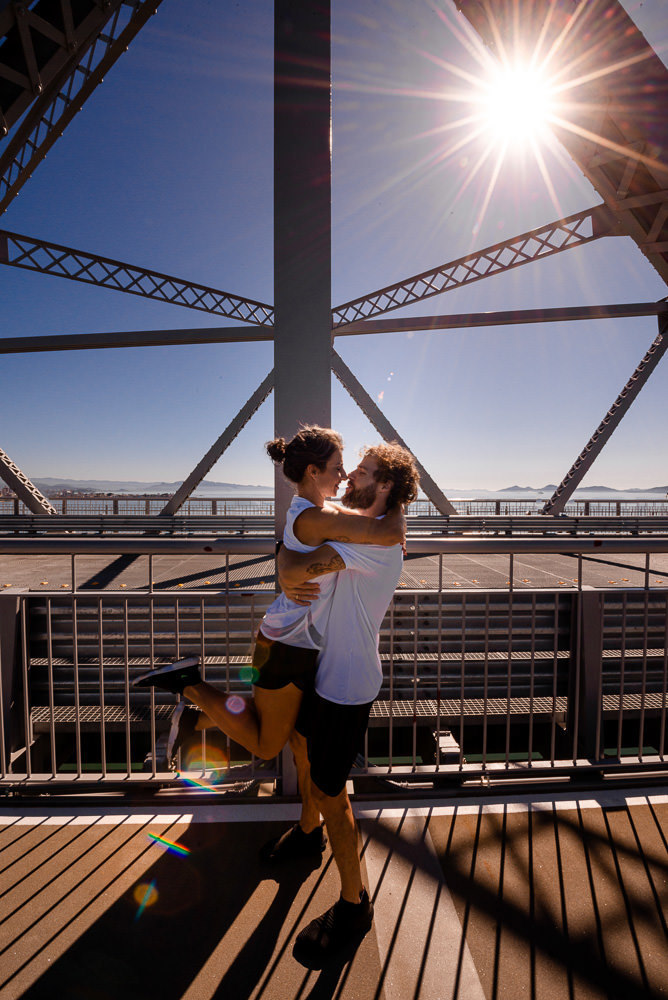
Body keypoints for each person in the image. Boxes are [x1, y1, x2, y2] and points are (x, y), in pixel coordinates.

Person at [133, 425, 405, 782]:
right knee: (266, 744)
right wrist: (399, 504)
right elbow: (386, 533)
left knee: (276, 721)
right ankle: (190, 686)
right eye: (338, 466)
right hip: (284, 643)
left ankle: (193, 715)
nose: (344, 474)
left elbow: (359, 524)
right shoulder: (316, 517)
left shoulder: (318, 510)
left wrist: (286, 565)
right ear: (313, 471)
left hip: (297, 642)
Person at [274, 442, 420, 966]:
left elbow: (300, 565)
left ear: (383, 487)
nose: (351, 474)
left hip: (346, 685)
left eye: (363, 471)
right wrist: (286, 560)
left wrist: (286, 562)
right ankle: (308, 833)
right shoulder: (362, 525)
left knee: (332, 791)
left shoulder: (374, 543)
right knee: (300, 747)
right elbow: (305, 548)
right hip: (326, 672)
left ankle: (354, 905)